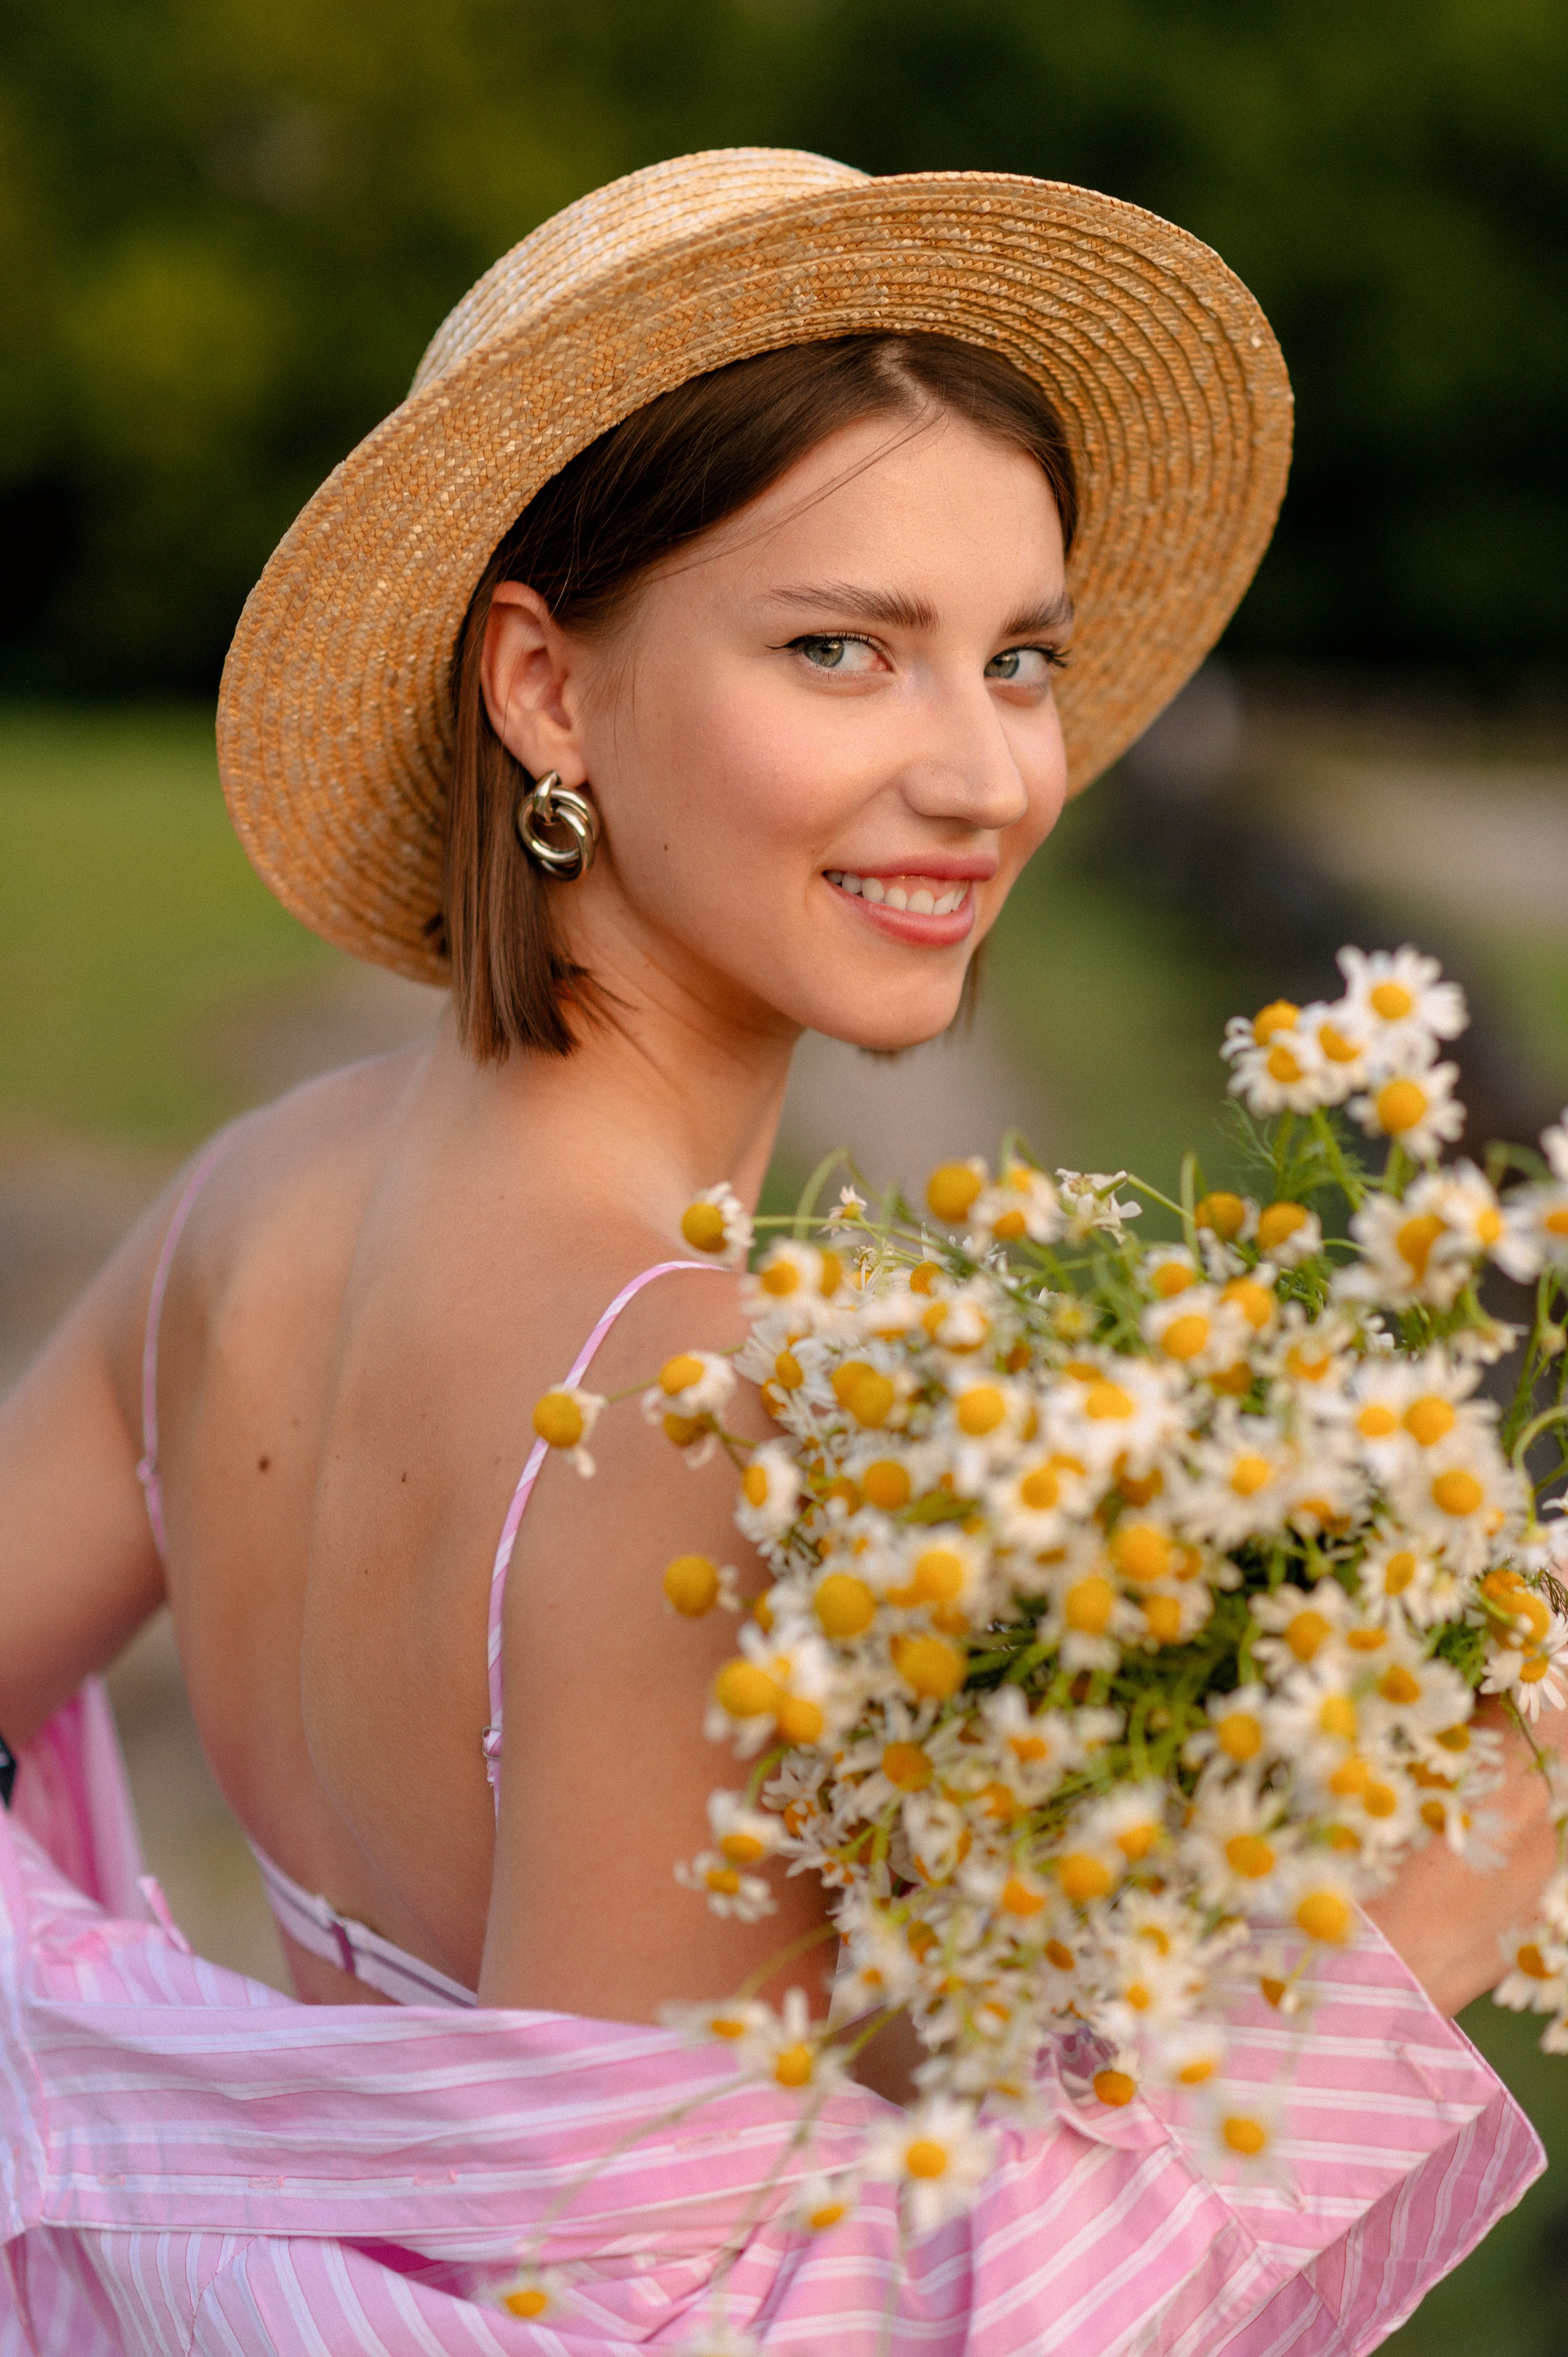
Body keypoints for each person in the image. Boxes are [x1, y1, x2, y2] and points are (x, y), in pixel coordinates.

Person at [0, 147, 1553, 2356]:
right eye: (842, 649)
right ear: (543, 686)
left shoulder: (247, 1200)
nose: (983, 773)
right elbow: (683, 2327)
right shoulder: (718, 1401)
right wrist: (1389, 1949)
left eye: (1019, 659)